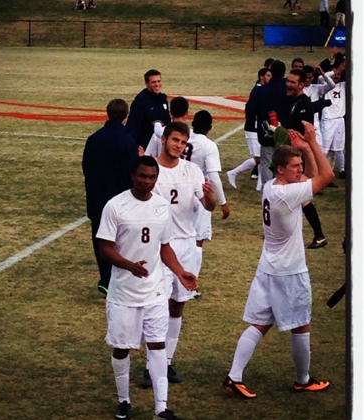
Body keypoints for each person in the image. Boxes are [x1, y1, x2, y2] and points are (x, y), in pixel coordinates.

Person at [223, 121, 334, 400]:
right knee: (302, 324)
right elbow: (327, 174)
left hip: (268, 267)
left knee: (260, 323)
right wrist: (312, 145)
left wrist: (303, 152)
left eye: (300, 165)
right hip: (289, 270)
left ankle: (234, 377)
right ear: (281, 169)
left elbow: (308, 176)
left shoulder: (273, 187)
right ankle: (302, 380)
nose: (300, 170)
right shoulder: (288, 194)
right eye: (295, 166)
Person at [97, 155, 196, 420]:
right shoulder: (115, 206)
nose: (148, 182)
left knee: (157, 346)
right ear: (133, 175)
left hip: (154, 293)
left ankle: (161, 410)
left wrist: (180, 271)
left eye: (152, 177)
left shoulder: (162, 207)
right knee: (121, 348)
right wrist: (129, 265)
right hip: (124, 294)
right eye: (143, 176)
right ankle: (123, 400)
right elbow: (104, 248)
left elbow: (164, 247)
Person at [139, 121, 216, 388]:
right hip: (159, 247)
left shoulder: (192, 171)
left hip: (185, 245)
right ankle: (152, 366)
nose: (179, 146)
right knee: (156, 307)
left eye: (183, 143)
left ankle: (166, 362)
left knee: (177, 305)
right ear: (164, 140)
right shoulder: (151, 171)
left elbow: (209, 205)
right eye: (175, 140)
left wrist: (210, 198)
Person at [264, 68, 329, 249]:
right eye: (288, 81)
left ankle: (319, 235)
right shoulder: (294, 102)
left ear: (302, 85)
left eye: (293, 82)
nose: (289, 84)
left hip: (296, 158)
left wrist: (279, 132)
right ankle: (317, 234)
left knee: (303, 198)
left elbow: (299, 136)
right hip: (293, 157)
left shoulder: (303, 105)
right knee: (301, 198)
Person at [82, 99, 139, 296]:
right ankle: (111, 279)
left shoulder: (93, 138)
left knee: (100, 237)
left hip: (97, 196)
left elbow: (86, 167)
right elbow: (132, 170)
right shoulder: (127, 140)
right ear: (126, 115)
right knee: (120, 240)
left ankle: (105, 276)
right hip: (119, 198)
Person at [227, 67, 272, 190]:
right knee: (259, 158)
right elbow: (250, 109)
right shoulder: (257, 90)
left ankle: (260, 186)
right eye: (268, 75)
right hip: (253, 128)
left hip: (258, 128)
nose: (270, 78)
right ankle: (233, 172)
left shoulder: (262, 90)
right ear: (261, 77)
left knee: (262, 158)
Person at [187, 110, 230, 220]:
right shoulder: (209, 146)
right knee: (199, 235)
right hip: (199, 194)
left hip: (179, 187)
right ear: (210, 128)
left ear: (192, 123)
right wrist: (223, 203)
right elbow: (214, 177)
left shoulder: (183, 138)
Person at [126, 69, 171, 150]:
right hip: (146, 147)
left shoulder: (163, 99)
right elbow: (133, 128)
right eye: (153, 82)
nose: (157, 84)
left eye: (159, 81)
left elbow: (167, 122)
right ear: (147, 84)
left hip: (162, 147)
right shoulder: (139, 102)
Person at [320, 70, 346, 179]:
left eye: (339, 75)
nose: (336, 76)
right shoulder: (324, 85)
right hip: (328, 120)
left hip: (339, 120)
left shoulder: (343, 86)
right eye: (335, 74)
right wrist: (335, 70)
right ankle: (321, 170)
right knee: (325, 149)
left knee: (338, 148)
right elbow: (323, 77)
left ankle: (342, 170)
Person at [302, 64, 336, 149]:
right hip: (301, 126)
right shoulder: (298, 89)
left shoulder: (316, 88)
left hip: (315, 127)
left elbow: (332, 85)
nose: (307, 80)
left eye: (310, 77)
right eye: (306, 77)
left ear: (313, 77)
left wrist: (323, 74)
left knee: (319, 150)